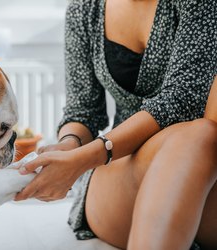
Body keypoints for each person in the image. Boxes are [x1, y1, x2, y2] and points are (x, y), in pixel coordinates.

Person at [14, 0, 217, 249]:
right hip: (122, 168)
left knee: (198, 137)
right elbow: (83, 111)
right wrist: (70, 145)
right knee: (199, 137)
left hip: (200, 165)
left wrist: (85, 158)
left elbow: (180, 100)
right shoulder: (85, 9)